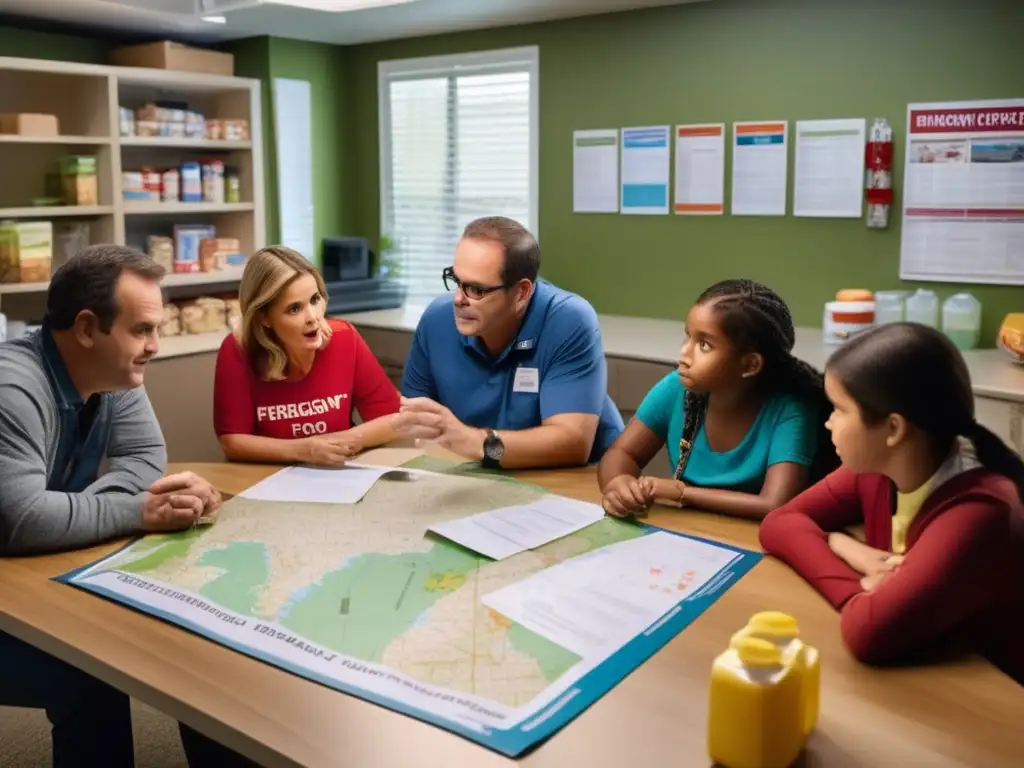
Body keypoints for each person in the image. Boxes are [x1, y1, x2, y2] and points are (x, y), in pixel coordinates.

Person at [0, 245, 223, 766]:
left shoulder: (109, 372)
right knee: (90, 673)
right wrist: (140, 511)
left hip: (21, 574)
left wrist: (68, 510)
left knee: (184, 630)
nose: (155, 346)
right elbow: (23, 520)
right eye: (142, 330)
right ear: (85, 328)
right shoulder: (13, 387)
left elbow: (147, 456)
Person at [759, 323, 1024, 684]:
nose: (828, 422)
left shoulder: (981, 511)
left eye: (839, 409)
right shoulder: (878, 466)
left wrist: (859, 599)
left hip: (993, 698)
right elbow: (779, 522)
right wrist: (844, 546)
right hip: (925, 666)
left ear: (893, 429)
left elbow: (867, 632)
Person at [395, 216, 624, 469]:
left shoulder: (568, 320)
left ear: (521, 293)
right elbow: (410, 420)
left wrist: (474, 442)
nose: (458, 299)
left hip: (580, 477)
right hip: (480, 469)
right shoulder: (437, 320)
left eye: (477, 290)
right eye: (457, 281)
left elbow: (572, 442)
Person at [599, 279, 834, 520]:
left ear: (750, 365)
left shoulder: (789, 410)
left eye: (704, 345)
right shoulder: (675, 389)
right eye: (687, 337)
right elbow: (623, 453)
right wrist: (618, 484)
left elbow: (776, 504)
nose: (684, 353)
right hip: (689, 533)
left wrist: (682, 493)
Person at [213, 245, 400, 465]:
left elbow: (393, 420)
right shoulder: (238, 349)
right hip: (268, 479)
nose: (313, 318)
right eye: (294, 309)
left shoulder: (345, 338)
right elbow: (232, 442)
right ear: (265, 318)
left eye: (314, 300)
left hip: (335, 473)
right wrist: (305, 450)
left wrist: (341, 442)